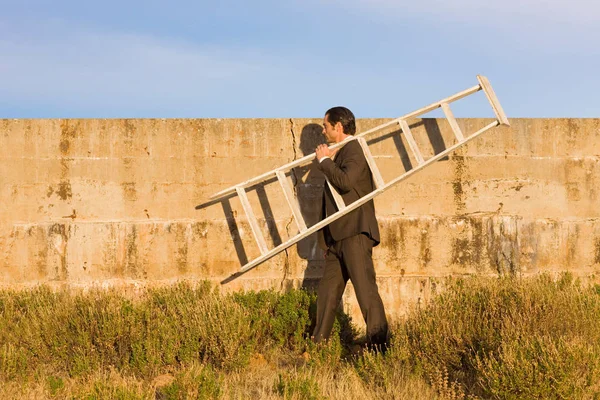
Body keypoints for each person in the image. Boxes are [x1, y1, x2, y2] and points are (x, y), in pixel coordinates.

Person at [312, 106, 388, 350]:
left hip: (355, 232)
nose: (323, 130)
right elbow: (332, 201)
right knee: (326, 294)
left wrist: (324, 161)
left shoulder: (355, 149)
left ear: (339, 127)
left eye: (326, 125)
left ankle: (379, 347)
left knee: (365, 292)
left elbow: (345, 183)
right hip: (337, 238)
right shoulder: (340, 153)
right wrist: (327, 241)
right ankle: (319, 348)